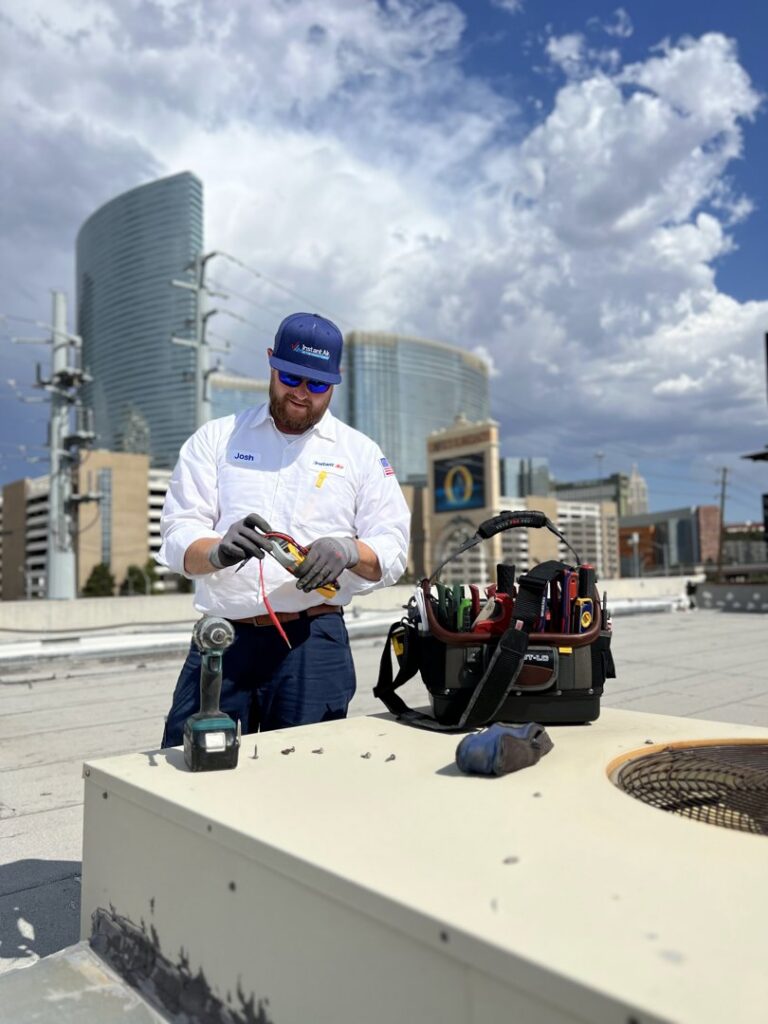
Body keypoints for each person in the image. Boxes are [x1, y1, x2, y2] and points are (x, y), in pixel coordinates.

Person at [158, 311, 411, 746]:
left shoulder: (360, 453)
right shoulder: (217, 439)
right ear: (271, 362)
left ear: (336, 380)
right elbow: (178, 532)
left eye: (316, 385)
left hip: (313, 643)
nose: (301, 394)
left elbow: (393, 547)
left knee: (306, 784)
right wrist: (218, 550)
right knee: (189, 766)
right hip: (225, 639)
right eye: (291, 377)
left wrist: (350, 550)